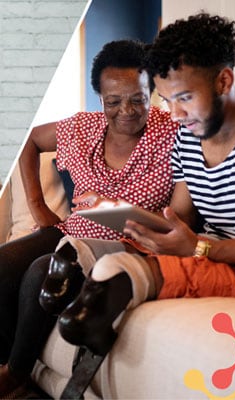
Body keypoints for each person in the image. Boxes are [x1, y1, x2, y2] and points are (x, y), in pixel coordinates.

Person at [53, 12, 235, 399]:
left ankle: (107, 295)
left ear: (223, 80)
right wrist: (119, 210)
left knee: (124, 269)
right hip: (211, 249)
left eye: (184, 97)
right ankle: (86, 265)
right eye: (167, 100)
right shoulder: (187, 139)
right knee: (85, 248)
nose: (175, 114)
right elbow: (178, 218)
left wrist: (201, 248)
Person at [0, 39, 178, 397]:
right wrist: (38, 206)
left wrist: (113, 209)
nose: (126, 110)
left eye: (138, 99)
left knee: (42, 272)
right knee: (4, 263)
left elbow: (177, 218)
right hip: (71, 230)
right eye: (113, 101)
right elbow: (30, 142)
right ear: (100, 98)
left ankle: (16, 376)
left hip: (126, 243)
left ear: (152, 92)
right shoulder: (83, 128)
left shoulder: (172, 135)